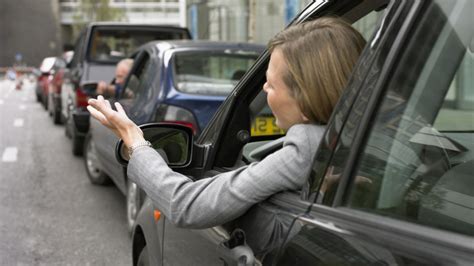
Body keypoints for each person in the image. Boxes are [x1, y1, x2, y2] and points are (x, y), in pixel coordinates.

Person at [87, 17, 366, 229]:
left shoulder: (305, 147)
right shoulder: (367, 136)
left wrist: (135, 141)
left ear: (305, 96)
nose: (265, 91)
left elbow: (186, 205)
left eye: (270, 84)